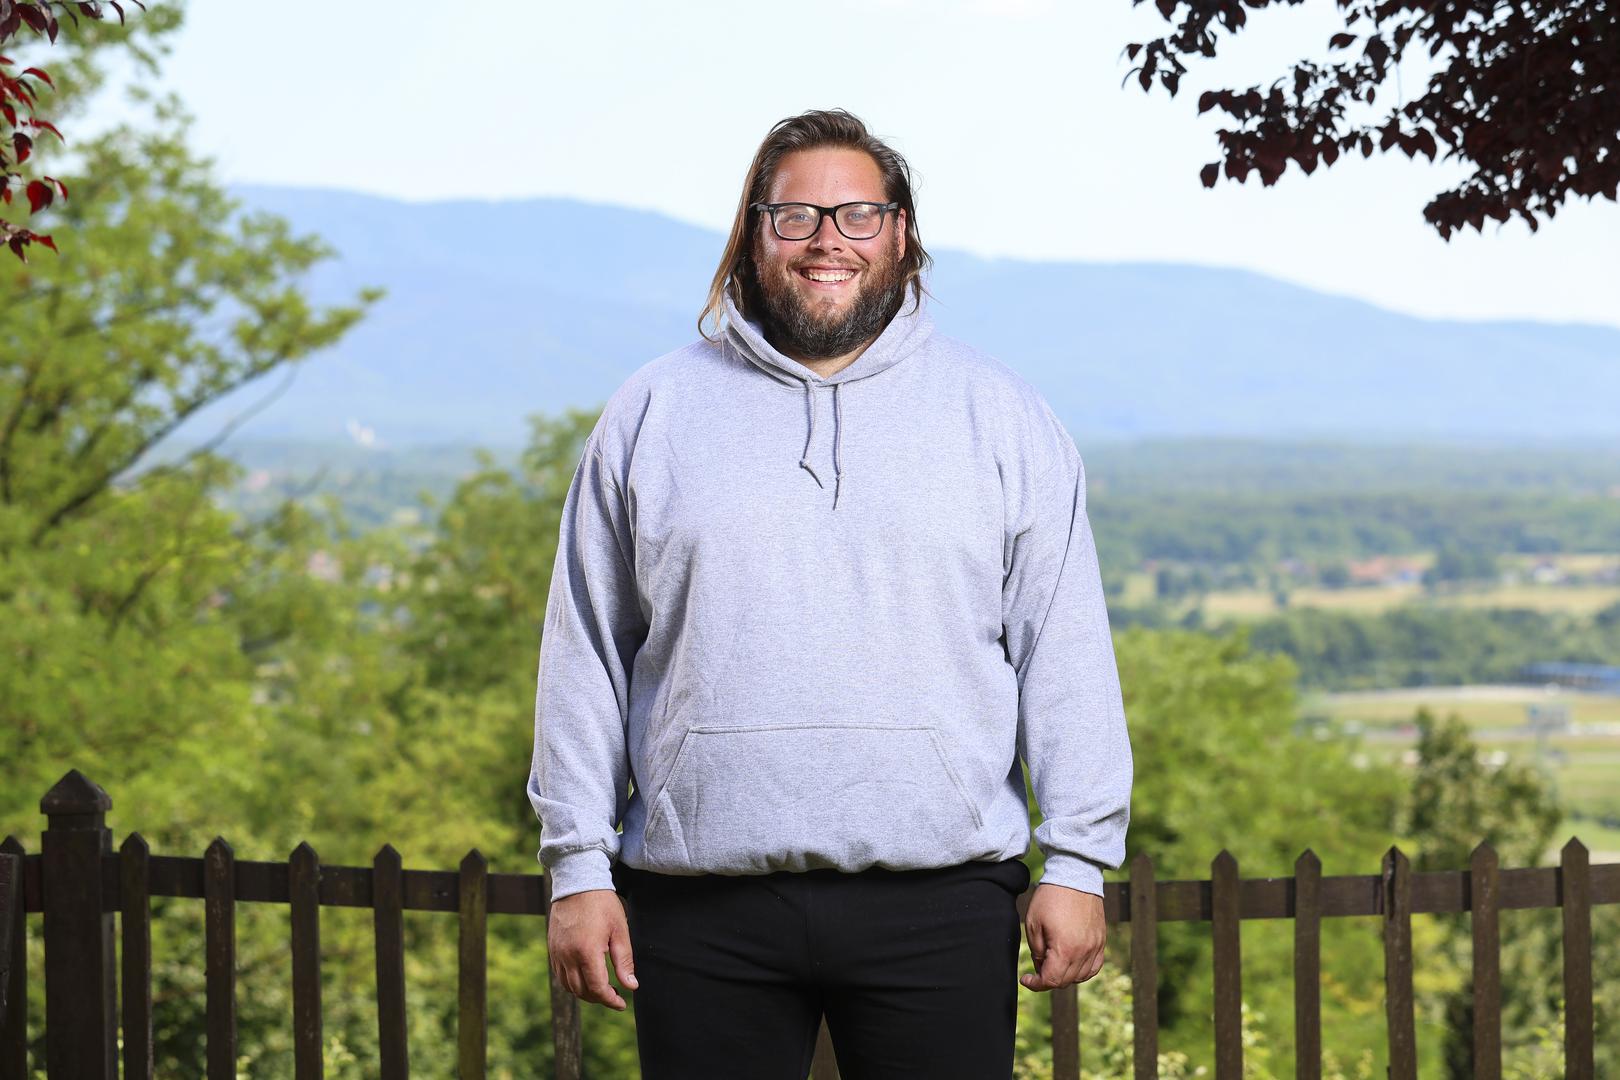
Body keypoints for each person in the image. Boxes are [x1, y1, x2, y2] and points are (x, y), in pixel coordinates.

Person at [527, 107, 1133, 1079]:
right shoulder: (653, 412)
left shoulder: (1001, 416)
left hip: (940, 897)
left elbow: (1062, 645)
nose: (826, 242)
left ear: (901, 235)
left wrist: (1077, 858)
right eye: (794, 216)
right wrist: (575, 865)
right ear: (752, 236)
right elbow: (588, 650)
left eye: (857, 215)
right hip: (698, 898)